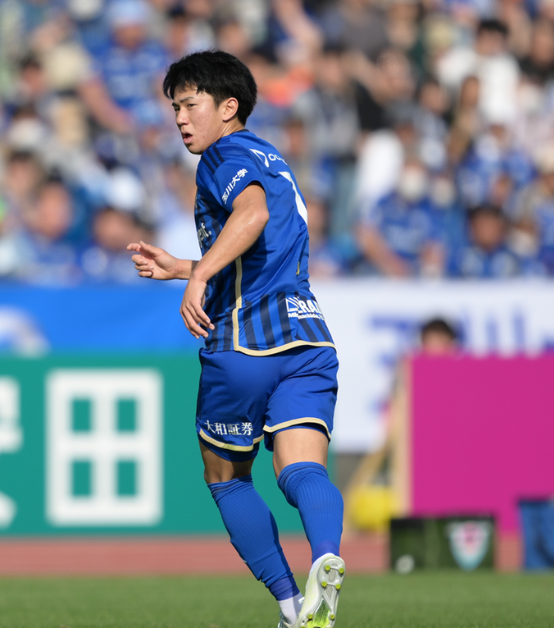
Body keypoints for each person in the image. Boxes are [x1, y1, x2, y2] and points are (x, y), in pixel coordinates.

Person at [127, 51, 344, 628]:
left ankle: (291, 607)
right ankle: (326, 558)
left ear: (228, 107)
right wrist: (182, 266)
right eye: (175, 108)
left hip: (245, 339)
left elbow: (252, 214)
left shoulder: (222, 155)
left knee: (225, 477)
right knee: (302, 471)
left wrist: (199, 276)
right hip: (308, 337)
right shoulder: (272, 157)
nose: (179, 118)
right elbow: (262, 248)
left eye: (189, 104)